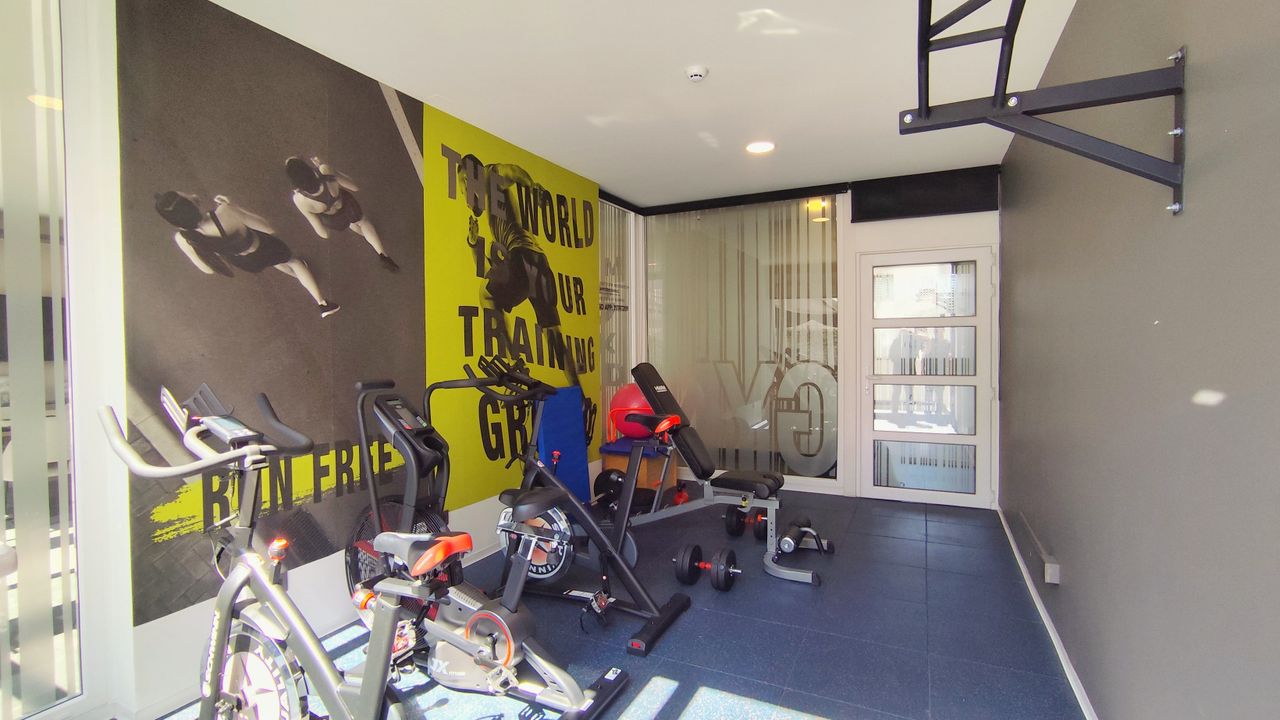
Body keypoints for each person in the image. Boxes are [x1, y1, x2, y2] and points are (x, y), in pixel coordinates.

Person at [459, 156, 578, 385]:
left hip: (520, 258)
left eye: (463, 187)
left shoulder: (489, 174)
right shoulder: (494, 218)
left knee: (485, 294)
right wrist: (473, 243)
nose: (465, 195)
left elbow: (511, 171)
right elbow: (486, 271)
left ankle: (514, 364)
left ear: (468, 178)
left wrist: (531, 186)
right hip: (539, 262)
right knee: (555, 338)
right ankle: (578, 392)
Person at [154, 190, 340, 318]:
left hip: (245, 261)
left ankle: (299, 277)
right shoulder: (224, 212)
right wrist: (233, 206)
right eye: (184, 194)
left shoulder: (183, 239)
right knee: (294, 261)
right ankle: (322, 303)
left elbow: (207, 269)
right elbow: (267, 227)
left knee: (273, 263)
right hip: (262, 245)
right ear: (190, 204)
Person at [285, 156, 399, 272]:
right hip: (347, 204)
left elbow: (323, 233)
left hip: (335, 220)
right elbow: (354, 186)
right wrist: (326, 166)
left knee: (351, 224)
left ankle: (370, 237)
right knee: (362, 221)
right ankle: (382, 254)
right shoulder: (324, 170)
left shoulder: (299, 200)